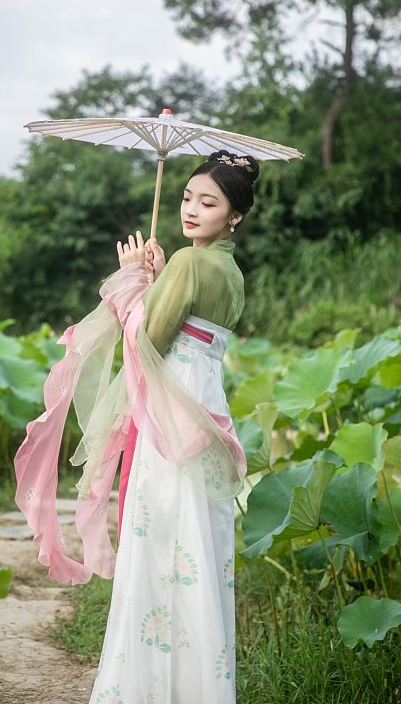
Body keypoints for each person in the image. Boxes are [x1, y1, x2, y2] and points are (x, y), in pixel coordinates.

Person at [14, 149, 259, 704]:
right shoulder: (229, 270)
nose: (191, 209)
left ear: (235, 214)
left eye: (209, 202)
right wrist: (157, 276)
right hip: (203, 403)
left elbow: (147, 341)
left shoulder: (191, 264)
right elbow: (186, 327)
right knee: (197, 537)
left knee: (160, 540)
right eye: (187, 197)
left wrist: (131, 284)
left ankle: (146, 685)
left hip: (170, 410)